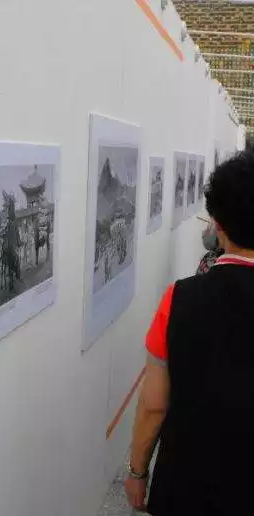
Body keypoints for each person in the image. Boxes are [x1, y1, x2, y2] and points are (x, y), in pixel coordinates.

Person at [125, 150, 254, 515]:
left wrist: (137, 471)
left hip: (187, 485)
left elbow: (153, 405)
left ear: (218, 223)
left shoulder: (179, 299)